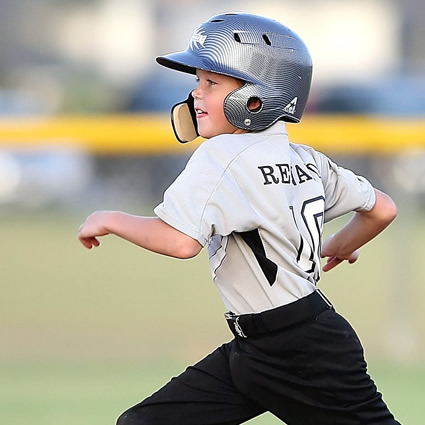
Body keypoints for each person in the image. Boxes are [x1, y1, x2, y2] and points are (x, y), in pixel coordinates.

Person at [78, 12, 401, 425]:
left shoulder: (222, 156)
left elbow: (180, 242)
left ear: (256, 97)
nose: (196, 93)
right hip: (266, 345)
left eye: (212, 83)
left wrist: (110, 218)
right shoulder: (305, 157)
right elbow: (382, 208)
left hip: (300, 352)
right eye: (197, 81)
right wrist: (340, 244)